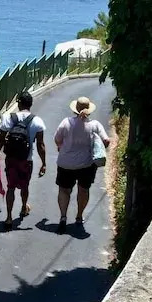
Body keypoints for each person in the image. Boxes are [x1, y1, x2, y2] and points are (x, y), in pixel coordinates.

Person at [53, 96, 111, 233]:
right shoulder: (95, 125)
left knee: (64, 190)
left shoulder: (66, 122)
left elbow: (57, 139)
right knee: (83, 190)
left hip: (66, 163)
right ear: (89, 110)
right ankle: (79, 217)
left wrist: (62, 147)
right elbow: (106, 141)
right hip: (86, 165)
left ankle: (63, 217)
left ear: (75, 109)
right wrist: (98, 148)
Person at [0, 90, 46, 231]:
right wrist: (44, 163)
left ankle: (9, 218)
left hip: (11, 159)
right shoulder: (37, 121)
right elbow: (40, 145)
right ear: (30, 104)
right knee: (25, 186)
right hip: (26, 160)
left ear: (19, 104)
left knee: (10, 187)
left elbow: (1, 137)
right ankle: (23, 207)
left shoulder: (9, 118)